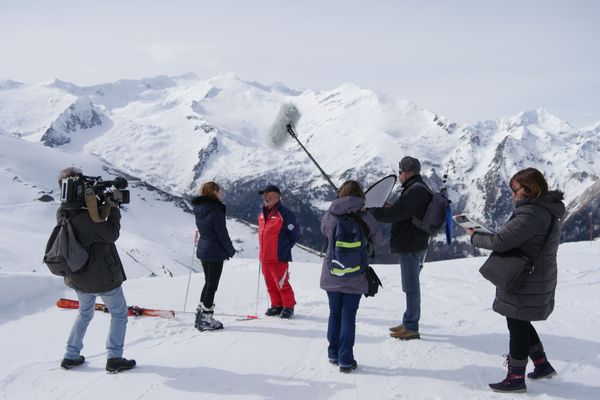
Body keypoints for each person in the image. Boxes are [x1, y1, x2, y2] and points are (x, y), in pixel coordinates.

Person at [467, 167, 564, 393]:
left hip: (526, 279)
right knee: (521, 320)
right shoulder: (544, 210)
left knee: (517, 324)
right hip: (536, 277)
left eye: (515, 190)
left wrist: (475, 237)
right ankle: (542, 365)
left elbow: (502, 242)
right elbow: (511, 238)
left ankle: (515, 378)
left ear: (528, 190)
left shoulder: (531, 214)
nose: (512, 195)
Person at [57, 167, 136, 373]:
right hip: (102, 277)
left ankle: (71, 355)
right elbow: (110, 234)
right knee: (119, 314)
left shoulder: (63, 212)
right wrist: (114, 209)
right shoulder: (86, 217)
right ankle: (114, 358)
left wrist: (99, 204)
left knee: (84, 313)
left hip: (78, 277)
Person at [320, 180, 382, 373]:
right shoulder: (366, 216)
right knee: (348, 318)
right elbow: (379, 241)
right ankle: (346, 359)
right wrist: (367, 245)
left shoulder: (331, 214)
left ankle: (333, 353)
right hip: (356, 274)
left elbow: (324, 231)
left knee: (334, 314)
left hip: (333, 273)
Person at [370, 156, 432, 340]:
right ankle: (408, 322)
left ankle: (411, 326)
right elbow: (404, 210)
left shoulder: (415, 191)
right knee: (410, 285)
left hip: (410, 245)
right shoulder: (416, 189)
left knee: (411, 287)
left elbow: (398, 214)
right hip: (413, 242)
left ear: (407, 173)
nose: (399, 175)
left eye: (400, 172)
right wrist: (390, 206)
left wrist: (374, 209)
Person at [191, 181, 236, 331]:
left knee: (208, 282)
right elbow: (221, 233)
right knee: (212, 285)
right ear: (214, 192)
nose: (221, 193)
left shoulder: (199, 208)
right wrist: (230, 250)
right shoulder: (215, 210)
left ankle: (201, 314)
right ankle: (206, 318)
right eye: (219, 191)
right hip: (214, 251)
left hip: (204, 249)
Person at [257, 184, 301, 319]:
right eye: (264, 196)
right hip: (264, 257)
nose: (265, 198)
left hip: (279, 257)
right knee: (270, 283)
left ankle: (288, 306)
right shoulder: (262, 215)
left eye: (268, 196)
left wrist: (284, 248)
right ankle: (276, 305)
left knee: (282, 283)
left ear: (276, 197)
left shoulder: (285, 214)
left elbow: (295, 234)